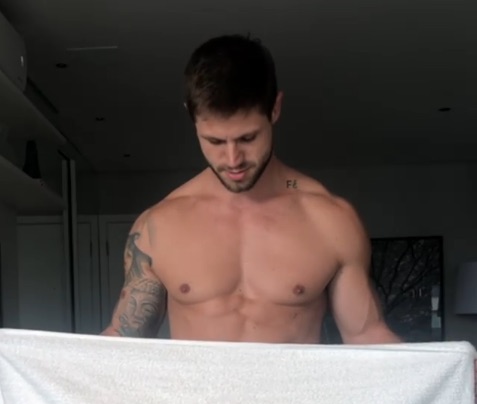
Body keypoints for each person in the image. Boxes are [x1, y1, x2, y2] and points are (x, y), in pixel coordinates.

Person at [99, 34, 403, 346]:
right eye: (215, 141)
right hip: (199, 382)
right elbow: (123, 340)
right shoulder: (159, 226)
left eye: (247, 138)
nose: (233, 159)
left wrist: (434, 367)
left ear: (275, 109)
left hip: (291, 381)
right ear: (192, 117)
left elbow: (367, 336)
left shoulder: (330, 220)